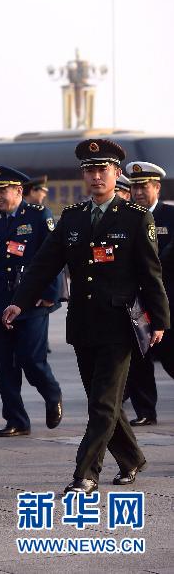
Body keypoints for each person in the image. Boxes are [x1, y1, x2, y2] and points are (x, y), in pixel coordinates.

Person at [3, 139, 169, 494]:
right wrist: (20, 301)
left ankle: (85, 474)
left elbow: (150, 274)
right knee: (101, 401)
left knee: (104, 403)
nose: (95, 176)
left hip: (120, 325)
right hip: (83, 324)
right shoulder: (73, 217)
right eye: (89, 170)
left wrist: (159, 320)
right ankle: (132, 458)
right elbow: (44, 263)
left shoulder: (137, 219)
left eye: (102, 170)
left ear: (116, 174)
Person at [0, 166, 63, 438]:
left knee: (31, 358)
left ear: (18, 191)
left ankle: (52, 395)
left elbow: (52, 257)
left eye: (3, 191)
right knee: (4, 365)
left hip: (33, 301)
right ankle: (16, 419)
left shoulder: (39, 217)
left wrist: (49, 293)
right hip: (1, 302)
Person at [124, 161, 174, 426]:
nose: (138, 192)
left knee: (170, 356)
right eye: (134, 187)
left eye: (143, 186)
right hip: (137, 302)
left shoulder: (170, 216)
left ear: (157, 187)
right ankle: (146, 411)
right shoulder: (127, 216)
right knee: (139, 358)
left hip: (167, 300)